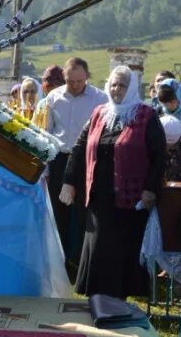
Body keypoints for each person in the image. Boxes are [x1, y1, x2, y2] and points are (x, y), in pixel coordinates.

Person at [61, 66, 166, 299]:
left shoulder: (146, 115)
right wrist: (69, 181)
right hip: (99, 197)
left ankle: (117, 301)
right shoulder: (100, 113)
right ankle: (97, 298)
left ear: (131, 89)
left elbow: (159, 154)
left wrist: (150, 190)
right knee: (99, 249)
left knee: (121, 252)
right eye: (114, 84)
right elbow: (79, 147)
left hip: (130, 200)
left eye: (122, 85)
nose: (117, 89)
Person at [44, 57, 107, 276]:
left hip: (86, 161)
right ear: (64, 77)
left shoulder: (101, 99)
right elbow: (47, 133)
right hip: (60, 159)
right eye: (71, 81)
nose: (75, 85)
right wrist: (46, 167)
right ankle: (60, 263)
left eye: (79, 81)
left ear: (87, 77)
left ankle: (81, 261)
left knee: (84, 210)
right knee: (59, 211)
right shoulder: (53, 98)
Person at [32, 65, 65, 129]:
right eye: (47, 87)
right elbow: (34, 125)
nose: (50, 91)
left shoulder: (67, 104)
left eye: (52, 86)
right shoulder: (41, 104)